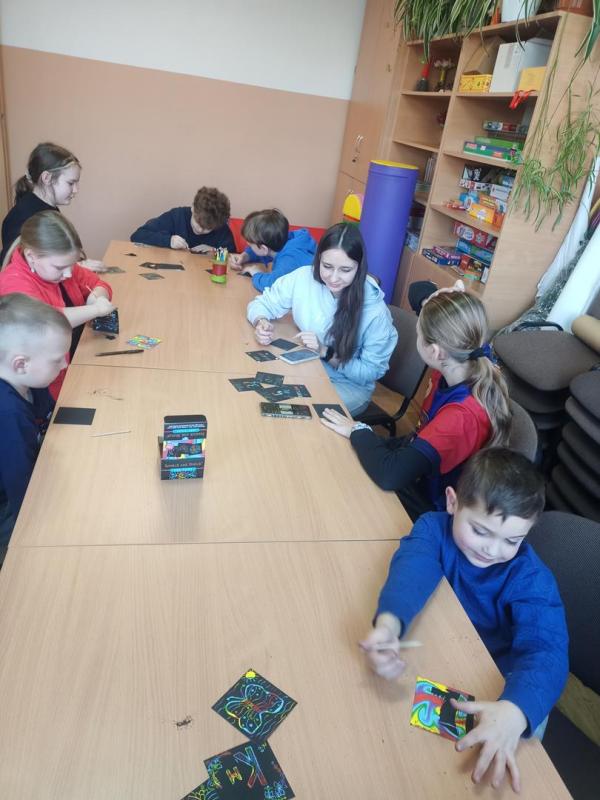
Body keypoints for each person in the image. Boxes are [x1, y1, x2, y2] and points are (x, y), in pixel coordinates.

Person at [361, 448, 568, 793]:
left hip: (510, 685)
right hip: (451, 652)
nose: (492, 550)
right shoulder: (433, 527)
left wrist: (516, 711)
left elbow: (548, 652)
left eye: (512, 540)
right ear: (452, 502)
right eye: (480, 531)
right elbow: (411, 572)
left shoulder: (531, 579)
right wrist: (389, 625)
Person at [321, 288, 511, 519]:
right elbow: (417, 289)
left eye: (419, 333)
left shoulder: (461, 416)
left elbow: (390, 475)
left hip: (437, 510)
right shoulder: (454, 368)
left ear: (435, 352)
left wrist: (358, 430)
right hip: (421, 474)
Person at [246, 223, 397, 415]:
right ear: (318, 259)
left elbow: (369, 373)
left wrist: (325, 351)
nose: (333, 278)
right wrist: (261, 321)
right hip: (309, 367)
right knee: (261, 396)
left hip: (347, 386)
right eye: (327, 266)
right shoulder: (304, 276)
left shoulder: (375, 312)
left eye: (345, 270)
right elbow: (264, 302)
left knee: (291, 410)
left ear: (359, 268)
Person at [0, 211, 115, 399]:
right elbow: (43, 324)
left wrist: (98, 298)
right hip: (48, 383)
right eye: (60, 268)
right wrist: (95, 310)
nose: (69, 274)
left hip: (73, 359)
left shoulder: (61, 267)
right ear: (31, 256)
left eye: (73, 264)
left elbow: (98, 284)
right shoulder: (14, 283)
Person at [0, 293, 71, 559]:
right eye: (57, 359)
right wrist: (35, 535)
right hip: (9, 501)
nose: (65, 364)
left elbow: (48, 414)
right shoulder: (9, 415)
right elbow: (21, 487)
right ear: (21, 364)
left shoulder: (31, 381)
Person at [0, 142, 104, 270]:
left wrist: (78, 265)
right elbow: (20, 267)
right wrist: (78, 266)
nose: (76, 190)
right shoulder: (26, 218)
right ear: (47, 178)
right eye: (70, 183)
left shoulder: (47, 209)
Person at [229, 208, 316, 292]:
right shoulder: (287, 240)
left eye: (250, 245)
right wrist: (245, 256)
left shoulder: (289, 260)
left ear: (263, 248)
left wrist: (255, 273)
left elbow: (273, 286)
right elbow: (266, 251)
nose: (250, 247)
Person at [130, 186, 235, 253]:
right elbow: (137, 236)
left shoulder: (220, 226)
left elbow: (233, 255)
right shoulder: (177, 216)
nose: (201, 230)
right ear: (193, 208)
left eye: (208, 228)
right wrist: (169, 241)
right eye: (198, 223)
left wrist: (215, 251)